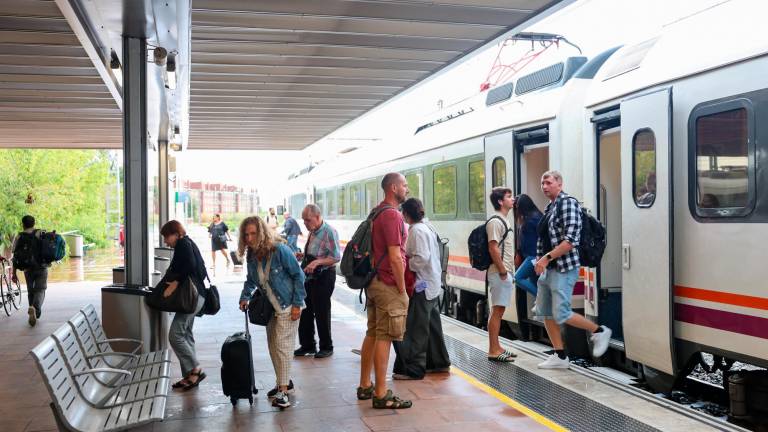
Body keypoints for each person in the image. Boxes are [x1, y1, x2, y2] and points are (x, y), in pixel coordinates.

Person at [534, 170, 612, 369]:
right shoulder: (550, 206)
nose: (544, 187)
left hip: (563, 268)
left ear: (560, 183)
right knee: (545, 313)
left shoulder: (568, 203)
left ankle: (600, 331)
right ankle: (560, 357)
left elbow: (570, 241)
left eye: (548, 182)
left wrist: (546, 257)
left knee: (561, 313)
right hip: (548, 270)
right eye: (542, 183)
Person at [357, 172, 412, 409]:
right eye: (404, 185)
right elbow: (395, 256)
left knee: (373, 331)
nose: (407, 189)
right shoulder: (391, 215)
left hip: (374, 282)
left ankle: (365, 385)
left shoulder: (376, 211)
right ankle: (380, 393)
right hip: (388, 283)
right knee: (385, 336)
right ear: (393, 187)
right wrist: (402, 288)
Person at [238, 216, 306, 409]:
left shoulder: (280, 250)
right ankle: (283, 383)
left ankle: (283, 392)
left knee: (283, 348)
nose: (249, 238)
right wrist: (245, 296)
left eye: (253, 233)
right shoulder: (251, 255)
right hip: (271, 308)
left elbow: (298, 276)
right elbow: (251, 280)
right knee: (273, 347)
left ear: (262, 233)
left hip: (289, 304)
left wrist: (297, 304)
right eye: (246, 234)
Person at [392, 198, 450, 380]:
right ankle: (438, 362)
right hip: (432, 284)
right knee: (432, 326)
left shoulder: (416, 230)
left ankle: (414, 368)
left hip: (421, 286)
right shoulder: (427, 227)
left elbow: (421, 258)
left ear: (406, 214)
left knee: (416, 328)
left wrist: (405, 264)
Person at [160, 220, 208, 390]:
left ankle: (195, 369)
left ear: (176, 233)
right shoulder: (187, 243)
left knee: (175, 335)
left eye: (167, 237)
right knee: (185, 334)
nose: (166, 241)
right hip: (197, 297)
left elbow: (190, 266)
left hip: (192, 298)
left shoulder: (182, 244)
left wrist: (175, 283)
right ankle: (190, 375)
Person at [295, 204, 340, 358]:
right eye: (304, 221)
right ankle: (307, 345)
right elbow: (317, 252)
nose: (305, 224)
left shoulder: (329, 232)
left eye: (308, 220)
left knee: (321, 311)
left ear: (318, 217)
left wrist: (317, 262)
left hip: (324, 276)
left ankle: (327, 346)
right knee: (306, 310)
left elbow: (335, 257)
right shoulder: (313, 231)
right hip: (309, 276)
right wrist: (304, 257)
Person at [486, 187, 517, 363]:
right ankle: (493, 350)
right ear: (500, 201)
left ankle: (497, 347)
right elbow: (493, 247)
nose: (512, 199)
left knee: (499, 311)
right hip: (499, 273)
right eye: (508, 197)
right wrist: (503, 270)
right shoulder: (496, 222)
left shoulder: (504, 220)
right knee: (497, 312)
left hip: (503, 273)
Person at [11, 215, 50, 327]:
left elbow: (15, 255)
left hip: (27, 268)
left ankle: (31, 310)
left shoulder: (19, 236)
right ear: (34, 223)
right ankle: (35, 308)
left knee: (31, 291)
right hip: (41, 266)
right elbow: (48, 249)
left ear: (23, 224)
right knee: (41, 289)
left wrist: (14, 273)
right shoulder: (41, 233)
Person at [513, 194, 543, 297]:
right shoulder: (531, 217)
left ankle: (542, 298)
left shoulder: (533, 219)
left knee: (517, 278)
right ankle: (542, 304)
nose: (516, 208)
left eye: (517, 206)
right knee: (536, 284)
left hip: (533, 257)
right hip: (531, 256)